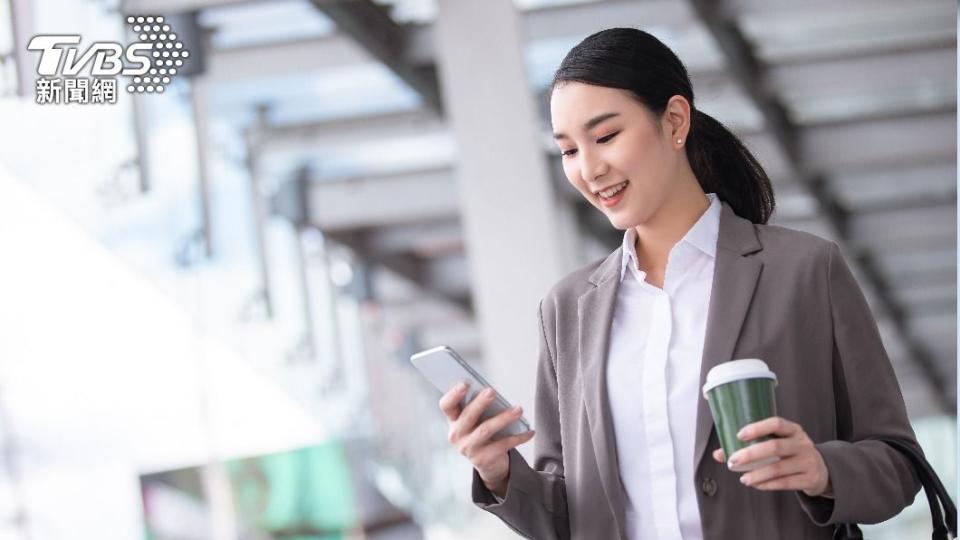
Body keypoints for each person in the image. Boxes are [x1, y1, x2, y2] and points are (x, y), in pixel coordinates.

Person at [437, 27, 922, 539]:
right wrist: (498, 471)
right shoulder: (568, 308)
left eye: (604, 137)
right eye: (568, 150)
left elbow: (898, 464)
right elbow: (569, 515)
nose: (589, 168)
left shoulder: (804, 270)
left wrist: (821, 470)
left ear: (674, 120)